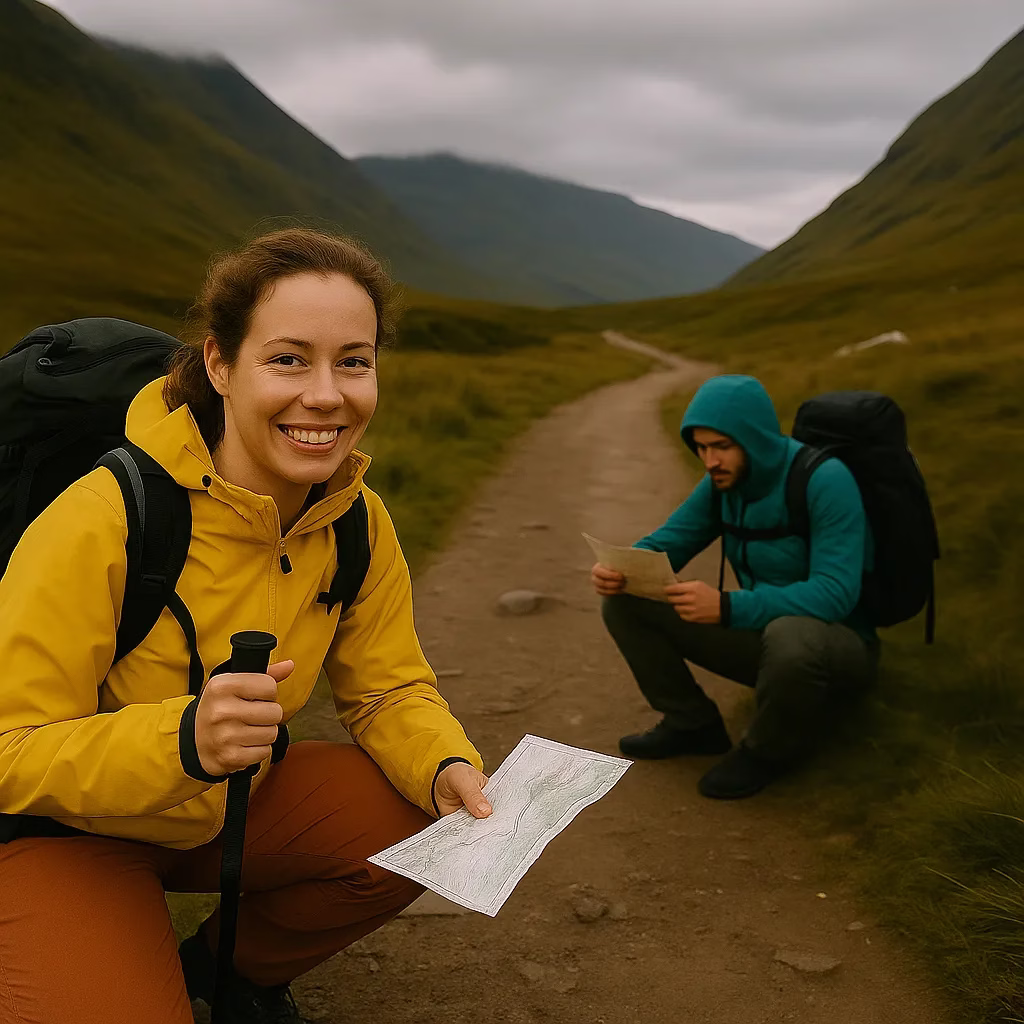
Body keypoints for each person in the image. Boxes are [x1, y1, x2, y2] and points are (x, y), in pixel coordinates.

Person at [0, 228, 491, 1024]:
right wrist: (183, 741)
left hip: (228, 805)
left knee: (422, 819)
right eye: (288, 359)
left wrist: (443, 764)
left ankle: (228, 976)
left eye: (354, 361)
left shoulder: (356, 519)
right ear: (221, 366)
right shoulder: (105, 516)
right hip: (64, 829)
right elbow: (6, 747)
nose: (326, 396)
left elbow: (388, 688)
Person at [595, 374, 878, 800]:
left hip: (838, 648)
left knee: (791, 634)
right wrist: (621, 569)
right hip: (767, 640)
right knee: (625, 602)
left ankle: (767, 752)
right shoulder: (723, 483)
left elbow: (835, 593)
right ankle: (693, 725)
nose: (710, 461)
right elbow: (670, 541)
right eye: (701, 448)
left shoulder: (825, 480)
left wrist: (728, 607)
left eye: (722, 446)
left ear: (755, 439)